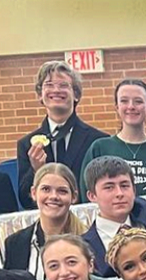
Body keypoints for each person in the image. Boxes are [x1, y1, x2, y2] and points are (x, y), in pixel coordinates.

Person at [16, 60, 109, 209]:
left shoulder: (98, 140)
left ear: (76, 95)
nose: (56, 90)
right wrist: (36, 170)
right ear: (40, 95)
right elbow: (25, 201)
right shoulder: (26, 145)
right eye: (49, 85)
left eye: (63, 85)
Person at [78, 79, 146, 198]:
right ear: (117, 107)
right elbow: (86, 193)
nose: (131, 106)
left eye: (138, 101)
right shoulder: (100, 148)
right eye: (124, 101)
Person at [81, 155, 146, 277]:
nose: (119, 193)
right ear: (92, 196)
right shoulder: (84, 246)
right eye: (109, 187)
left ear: (134, 190)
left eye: (125, 186)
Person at [4, 163, 86, 280]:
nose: (53, 196)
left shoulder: (88, 241)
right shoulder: (14, 243)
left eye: (62, 191)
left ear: (74, 197)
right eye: (46, 189)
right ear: (33, 193)